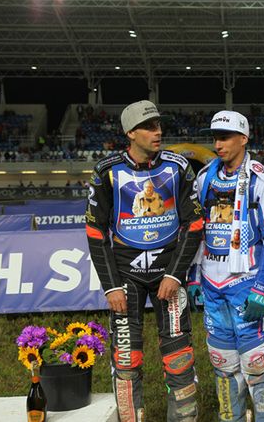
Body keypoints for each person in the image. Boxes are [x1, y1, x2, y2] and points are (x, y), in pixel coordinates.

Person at [85, 100, 204, 422]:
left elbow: (194, 223)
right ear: (130, 133)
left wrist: (176, 275)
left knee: (179, 357)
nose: (158, 132)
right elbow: (95, 230)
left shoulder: (178, 167)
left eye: (159, 125)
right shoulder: (106, 171)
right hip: (126, 277)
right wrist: (111, 287)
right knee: (126, 360)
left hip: (169, 275)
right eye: (150, 127)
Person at [192, 110, 264, 422]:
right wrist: (194, 277)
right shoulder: (205, 176)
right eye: (215, 137)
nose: (218, 143)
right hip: (212, 282)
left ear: (243, 139)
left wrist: (262, 286)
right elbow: (195, 229)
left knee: (257, 364)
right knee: (222, 363)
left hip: (246, 283)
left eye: (225, 137)